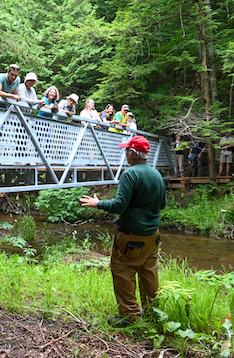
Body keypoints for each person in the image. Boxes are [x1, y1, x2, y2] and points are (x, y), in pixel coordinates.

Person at [80, 136, 166, 327]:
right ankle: (153, 313)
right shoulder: (156, 174)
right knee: (149, 273)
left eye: (126, 151)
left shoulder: (130, 174)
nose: (125, 154)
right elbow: (162, 204)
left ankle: (130, 316)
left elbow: (119, 205)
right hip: (153, 236)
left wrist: (97, 203)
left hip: (131, 236)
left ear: (134, 153)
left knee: (123, 272)